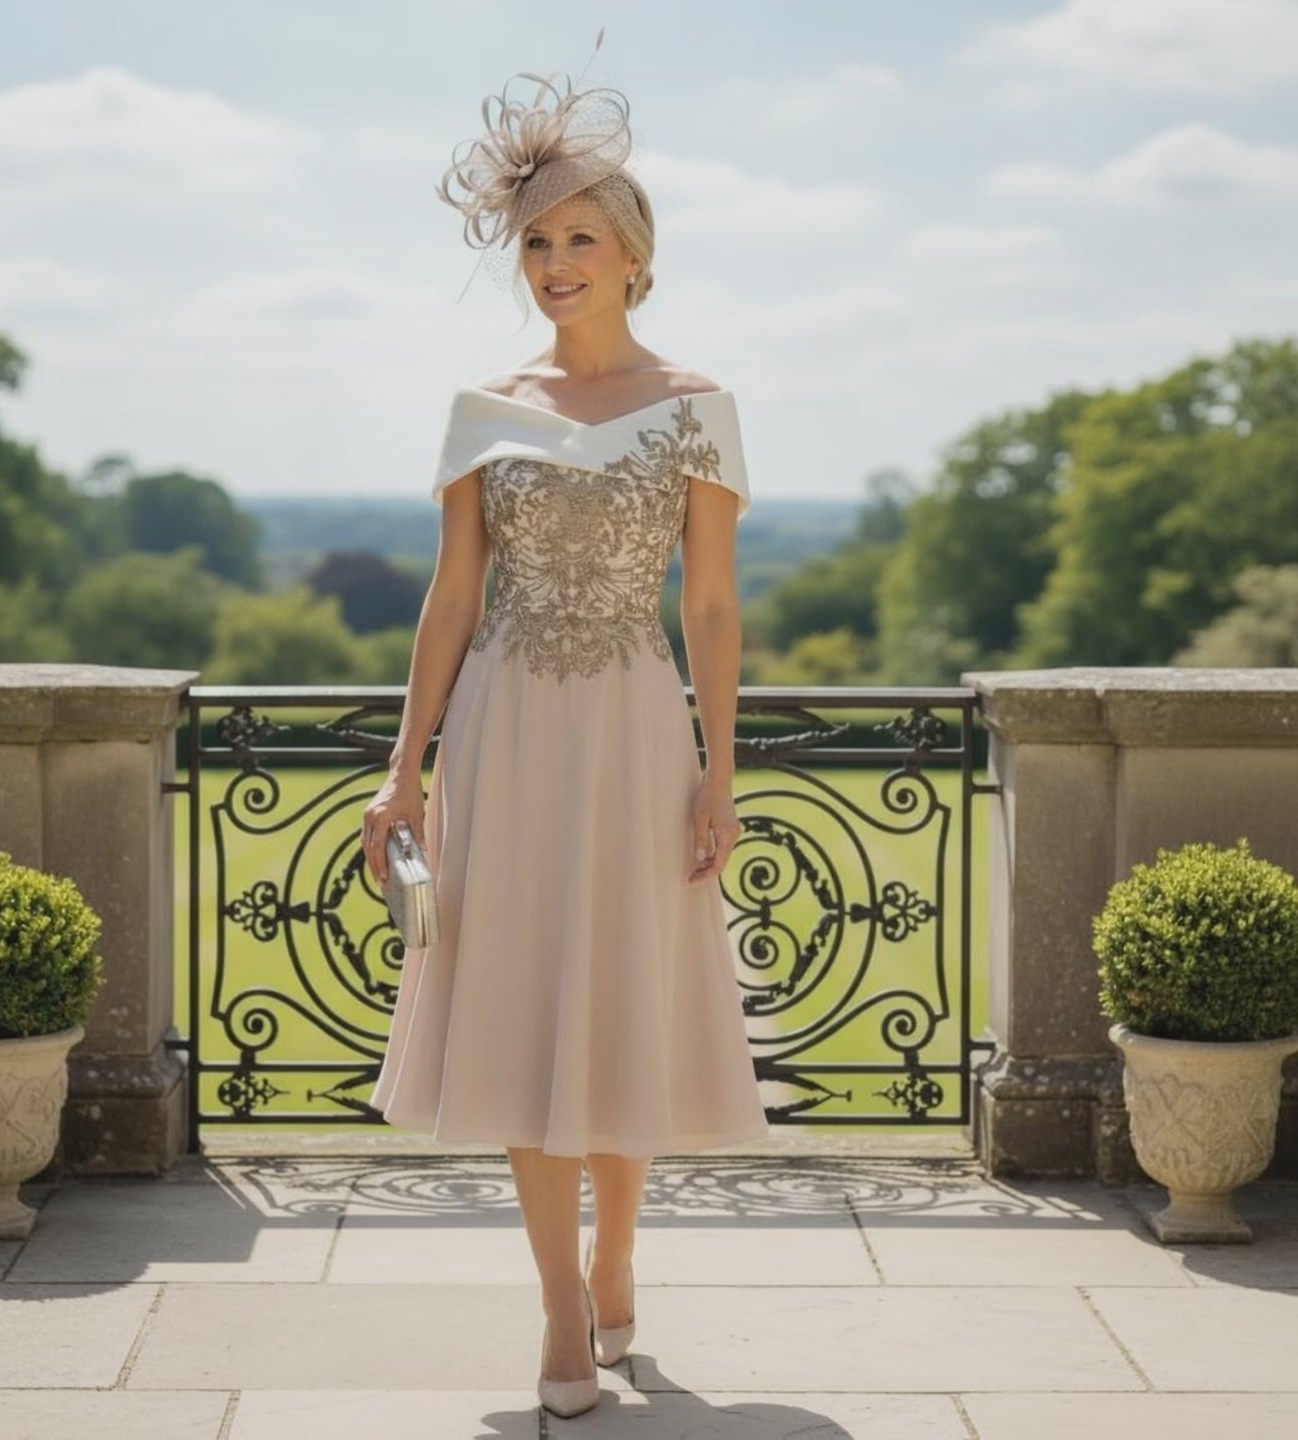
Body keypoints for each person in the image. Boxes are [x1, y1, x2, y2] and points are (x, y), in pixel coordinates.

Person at [363, 54, 769, 1419]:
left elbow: (709, 604)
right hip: (505, 740)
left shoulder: (699, 405)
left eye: (578, 236)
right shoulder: (488, 410)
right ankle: (553, 1308)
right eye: (535, 241)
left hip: (637, 738)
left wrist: (722, 766)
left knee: (623, 1000)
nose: (553, 261)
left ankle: (620, 1250)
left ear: (633, 252)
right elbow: (451, 599)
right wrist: (401, 773)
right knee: (528, 1007)